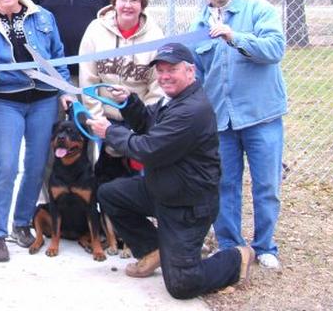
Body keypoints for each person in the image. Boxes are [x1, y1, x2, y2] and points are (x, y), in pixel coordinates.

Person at [89, 43, 255, 299]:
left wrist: (109, 132)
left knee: (181, 285)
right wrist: (129, 101)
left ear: (190, 71)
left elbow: (148, 148)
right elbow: (146, 123)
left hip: (188, 206)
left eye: (172, 70)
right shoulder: (174, 100)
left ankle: (236, 258)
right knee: (109, 193)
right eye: (161, 70)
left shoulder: (191, 110)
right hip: (162, 190)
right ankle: (152, 248)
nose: (164, 76)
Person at [0, 0, 71, 263]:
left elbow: (58, 56)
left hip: (43, 98)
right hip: (6, 99)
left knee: (37, 164)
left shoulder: (42, 17)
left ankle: (21, 223)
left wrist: (65, 89)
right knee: (6, 165)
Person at [191, 0, 287, 270]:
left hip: (261, 116)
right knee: (224, 184)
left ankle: (264, 246)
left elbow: (274, 50)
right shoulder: (199, 26)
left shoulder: (258, 10)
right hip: (222, 120)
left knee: (266, 184)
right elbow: (197, 75)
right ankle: (231, 246)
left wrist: (235, 38)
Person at [79, 0, 164, 172]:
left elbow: (157, 85)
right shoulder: (95, 30)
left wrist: (144, 121)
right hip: (104, 118)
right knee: (101, 177)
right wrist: (97, 119)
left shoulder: (155, 35)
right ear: (114, 2)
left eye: (134, 0)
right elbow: (88, 79)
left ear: (142, 5)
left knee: (137, 179)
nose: (128, 5)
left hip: (138, 119)